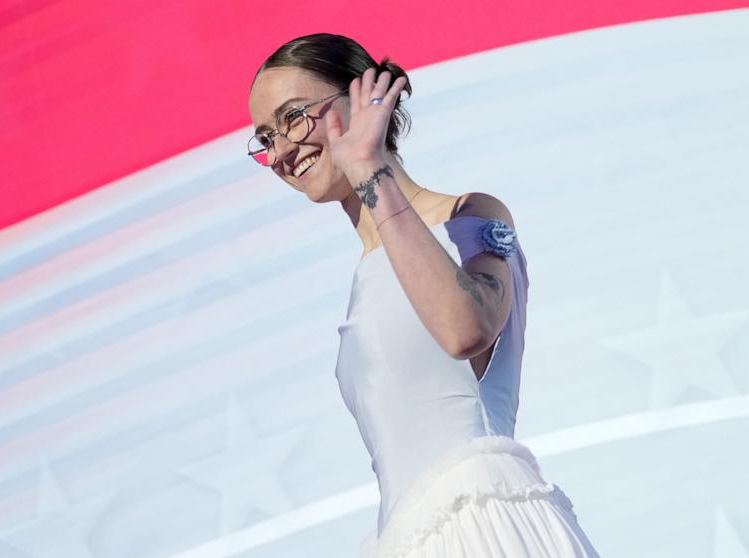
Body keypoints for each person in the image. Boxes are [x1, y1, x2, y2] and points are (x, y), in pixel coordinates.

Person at [247, 33, 600, 558]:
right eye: (266, 137)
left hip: (483, 525)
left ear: (363, 95)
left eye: (294, 117)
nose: (282, 150)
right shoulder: (365, 277)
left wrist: (368, 168)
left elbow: (465, 328)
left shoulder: (467, 217)